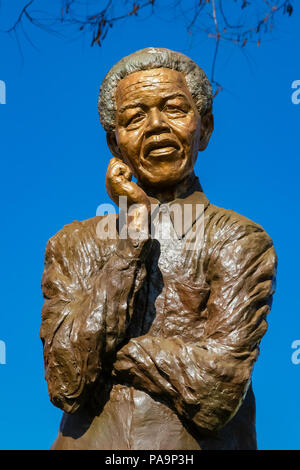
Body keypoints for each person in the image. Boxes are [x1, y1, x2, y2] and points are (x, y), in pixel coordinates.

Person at [40, 47, 277, 450]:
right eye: (134, 117)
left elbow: (217, 390)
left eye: (173, 109)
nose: (155, 126)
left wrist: (109, 354)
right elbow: (66, 381)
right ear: (114, 143)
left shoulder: (239, 239)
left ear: (205, 127)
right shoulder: (73, 243)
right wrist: (131, 239)